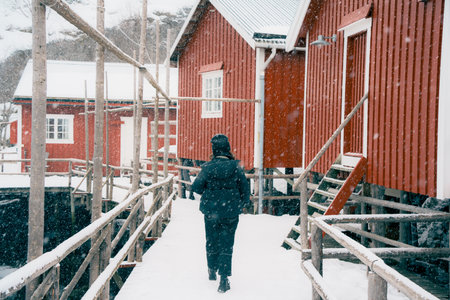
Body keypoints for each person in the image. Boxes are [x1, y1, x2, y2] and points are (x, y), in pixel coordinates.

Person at [191, 134, 250, 293]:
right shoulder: (236, 167)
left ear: (214, 150)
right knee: (227, 243)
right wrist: (242, 203)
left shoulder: (207, 168)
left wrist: (209, 190)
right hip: (230, 211)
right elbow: (245, 189)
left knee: (211, 240)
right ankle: (224, 279)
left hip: (211, 211)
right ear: (228, 149)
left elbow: (196, 188)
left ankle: (211, 269)